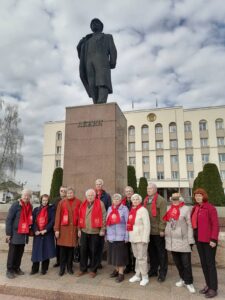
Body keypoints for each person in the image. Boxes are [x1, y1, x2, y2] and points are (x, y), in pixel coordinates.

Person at [77, 18, 117, 104]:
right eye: (92, 23)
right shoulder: (87, 40)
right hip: (89, 63)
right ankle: (96, 104)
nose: (93, 24)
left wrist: (112, 62)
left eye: (96, 23)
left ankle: (101, 102)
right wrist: (80, 44)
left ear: (101, 26)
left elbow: (113, 50)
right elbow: (81, 54)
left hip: (102, 62)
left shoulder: (107, 37)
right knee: (92, 84)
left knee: (102, 81)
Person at [164, 193, 196, 293]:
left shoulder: (186, 209)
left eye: (177, 199)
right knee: (178, 263)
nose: (175, 201)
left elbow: (190, 225)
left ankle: (189, 282)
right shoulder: (168, 208)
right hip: (172, 240)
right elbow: (168, 223)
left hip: (183, 240)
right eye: (173, 199)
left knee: (186, 264)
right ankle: (183, 279)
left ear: (180, 199)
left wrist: (190, 240)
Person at [191, 188, 219, 298]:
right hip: (199, 239)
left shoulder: (210, 208)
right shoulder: (195, 208)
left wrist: (213, 239)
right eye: (196, 195)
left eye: (200, 195)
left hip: (208, 241)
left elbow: (215, 225)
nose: (197, 197)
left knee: (210, 264)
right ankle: (208, 285)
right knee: (203, 264)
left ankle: (213, 288)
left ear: (204, 196)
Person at [77, 189, 106, 278]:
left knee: (94, 251)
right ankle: (83, 268)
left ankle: (93, 269)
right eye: (88, 195)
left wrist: (103, 229)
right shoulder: (83, 204)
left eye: (92, 195)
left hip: (95, 231)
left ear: (94, 196)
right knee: (83, 250)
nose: (90, 197)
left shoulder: (100, 203)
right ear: (86, 196)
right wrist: (79, 229)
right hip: (84, 231)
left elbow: (104, 216)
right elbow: (80, 216)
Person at [5, 189, 33, 279]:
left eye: (28, 195)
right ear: (21, 196)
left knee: (20, 252)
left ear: (30, 197)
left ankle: (17, 268)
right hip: (15, 233)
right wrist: (8, 233)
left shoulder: (30, 206)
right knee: (12, 252)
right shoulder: (15, 205)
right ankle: (9, 270)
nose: (26, 197)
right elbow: (9, 219)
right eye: (25, 195)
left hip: (24, 233)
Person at [143, 183, 168, 282]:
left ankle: (162, 272)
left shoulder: (161, 200)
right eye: (147, 188)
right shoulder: (145, 200)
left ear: (155, 189)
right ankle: (153, 270)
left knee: (161, 253)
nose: (148, 190)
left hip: (158, 231)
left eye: (150, 188)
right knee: (152, 252)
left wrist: (162, 229)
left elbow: (163, 216)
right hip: (149, 231)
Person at [54, 187, 81, 276]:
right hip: (63, 230)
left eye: (71, 193)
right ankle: (62, 269)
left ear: (74, 193)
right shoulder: (62, 202)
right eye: (68, 193)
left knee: (71, 251)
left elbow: (81, 217)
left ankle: (69, 267)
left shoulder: (78, 202)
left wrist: (79, 229)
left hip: (73, 230)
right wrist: (56, 229)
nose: (69, 194)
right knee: (62, 251)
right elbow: (57, 216)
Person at [128, 194, 150, 286]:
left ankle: (145, 276)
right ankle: (137, 275)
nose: (135, 200)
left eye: (137, 199)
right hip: (133, 237)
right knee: (137, 257)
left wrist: (145, 238)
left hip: (141, 238)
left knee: (142, 258)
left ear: (140, 200)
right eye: (133, 199)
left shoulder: (143, 210)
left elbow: (147, 225)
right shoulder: (132, 210)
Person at [30, 194, 56, 275]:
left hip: (47, 234)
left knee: (46, 251)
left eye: (46, 200)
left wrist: (46, 229)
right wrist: (35, 230)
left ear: (48, 201)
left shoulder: (51, 210)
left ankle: (44, 269)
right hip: (38, 234)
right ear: (41, 200)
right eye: (43, 200)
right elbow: (33, 221)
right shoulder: (36, 210)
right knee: (36, 251)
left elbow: (52, 221)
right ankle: (34, 269)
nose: (45, 202)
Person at [106, 193, 129, 283]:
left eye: (117, 199)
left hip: (121, 236)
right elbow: (107, 222)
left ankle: (121, 274)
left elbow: (128, 222)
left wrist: (127, 236)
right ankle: (116, 270)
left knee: (120, 257)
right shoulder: (110, 208)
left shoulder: (124, 209)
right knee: (113, 256)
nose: (115, 200)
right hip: (111, 236)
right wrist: (107, 235)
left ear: (120, 200)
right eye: (114, 199)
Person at [95, 178, 111, 268]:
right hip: (92, 222)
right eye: (97, 184)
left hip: (102, 222)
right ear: (95, 185)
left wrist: (106, 223)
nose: (99, 185)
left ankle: (98, 262)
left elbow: (109, 209)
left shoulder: (107, 196)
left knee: (100, 244)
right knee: (92, 243)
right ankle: (93, 261)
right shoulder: (91, 194)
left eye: (100, 184)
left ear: (102, 185)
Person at [52, 186, 67, 267]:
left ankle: (66, 261)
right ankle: (58, 261)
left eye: (65, 191)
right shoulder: (55, 201)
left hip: (67, 226)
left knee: (66, 244)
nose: (63, 192)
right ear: (59, 191)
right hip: (58, 226)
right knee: (58, 244)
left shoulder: (69, 200)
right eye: (61, 191)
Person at [121, 186, 135, 273]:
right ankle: (128, 266)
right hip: (125, 229)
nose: (128, 193)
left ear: (133, 192)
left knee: (134, 249)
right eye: (127, 191)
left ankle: (135, 267)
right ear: (125, 193)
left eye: (130, 191)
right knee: (126, 249)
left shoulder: (137, 201)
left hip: (134, 229)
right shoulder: (122, 202)